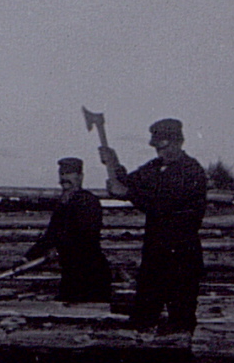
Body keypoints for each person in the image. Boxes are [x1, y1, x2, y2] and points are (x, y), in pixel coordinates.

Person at [101, 118, 207, 332]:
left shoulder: (191, 171)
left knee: (181, 319)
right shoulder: (155, 167)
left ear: (178, 142)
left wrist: (127, 194)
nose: (158, 152)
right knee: (143, 316)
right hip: (155, 253)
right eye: (156, 147)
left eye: (163, 146)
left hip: (181, 256)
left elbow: (162, 203)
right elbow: (129, 181)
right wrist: (113, 163)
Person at [24, 157, 112, 302]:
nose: (64, 178)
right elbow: (50, 235)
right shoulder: (63, 204)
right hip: (71, 272)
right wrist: (27, 257)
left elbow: (86, 236)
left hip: (90, 273)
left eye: (69, 174)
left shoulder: (88, 201)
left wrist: (58, 248)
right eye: (62, 174)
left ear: (80, 177)